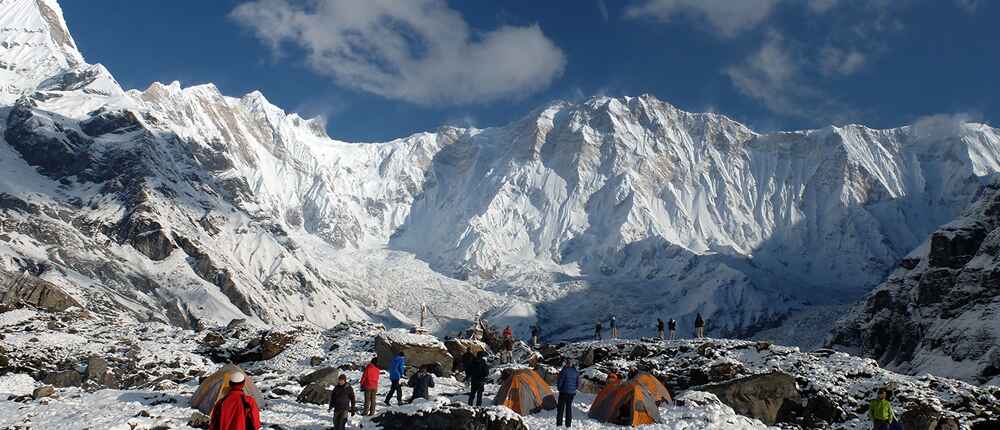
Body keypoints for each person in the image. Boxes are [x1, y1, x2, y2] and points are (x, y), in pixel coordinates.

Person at [556, 359, 579, 428]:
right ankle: (568, 424)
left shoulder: (564, 370)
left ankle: (559, 424)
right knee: (568, 408)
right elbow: (578, 384)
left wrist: (559, 388)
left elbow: (560, 381)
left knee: (560, 409)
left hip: (563, 392)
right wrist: (573, 389)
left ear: (567, 364)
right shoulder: (576, 372)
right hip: (571, 393)